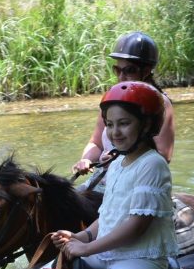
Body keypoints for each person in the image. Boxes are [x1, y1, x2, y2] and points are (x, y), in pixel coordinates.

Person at [52, 81, 179, 269]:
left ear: (147, 125)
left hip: (139, 259)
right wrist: (83, 236)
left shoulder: (153, 165)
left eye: (124, 123)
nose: (114, 132)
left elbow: (136, 226)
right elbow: (109, 213)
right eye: (109, 125)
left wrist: (86, 249)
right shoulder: (119, 163)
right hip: (107, 252)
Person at [72, 31, 175, 193]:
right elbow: (96, 143)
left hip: (133, 185)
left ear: (146, 71)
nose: (121, 76)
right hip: (101, 180)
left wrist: (118, 160)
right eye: (117, 70)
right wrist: (85, 160)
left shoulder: (160, 103)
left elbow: (163, 155)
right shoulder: (112, 99)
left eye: (128, 70)